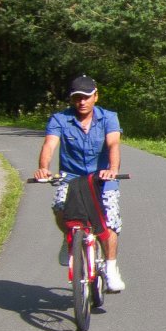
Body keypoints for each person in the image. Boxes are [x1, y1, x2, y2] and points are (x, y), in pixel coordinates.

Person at [35, 74, 126, 292]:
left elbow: (113, 144)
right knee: (60, 209)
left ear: (96, 96)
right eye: (77, 97)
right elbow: (50, 145)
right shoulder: (59, 119)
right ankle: (69, 239)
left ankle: (111, 269)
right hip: (71, 176)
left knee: (109, 222)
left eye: (86, 97)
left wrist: (112, 170)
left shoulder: (108, 117)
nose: (81, 102)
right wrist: (44, 168)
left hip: (102, 178)